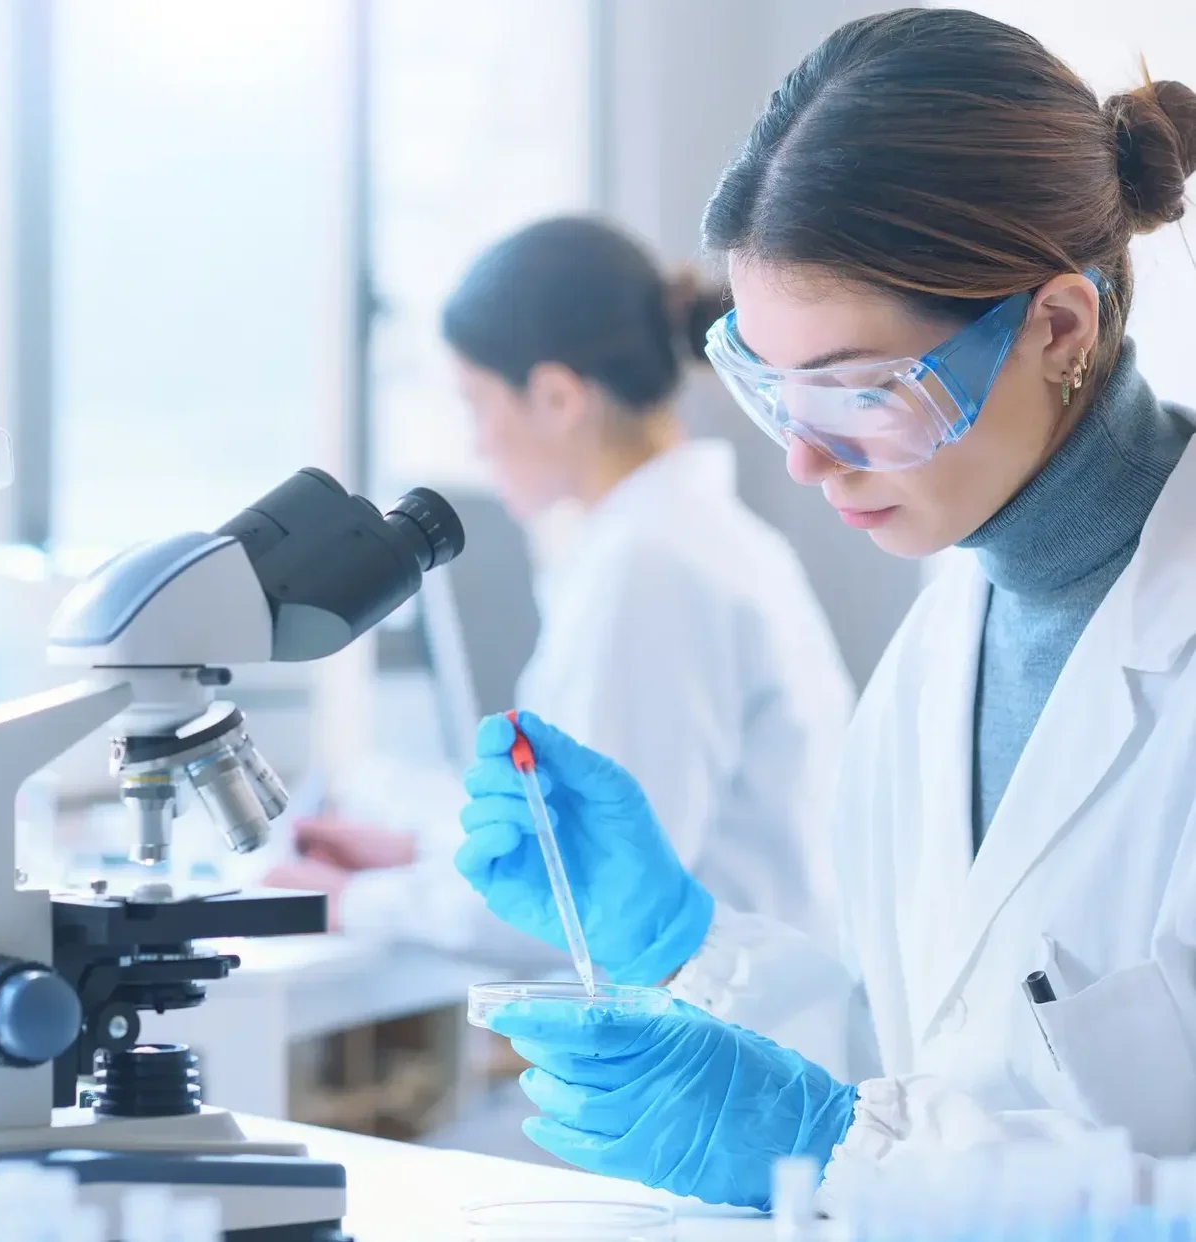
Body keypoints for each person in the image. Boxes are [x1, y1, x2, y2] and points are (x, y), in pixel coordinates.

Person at [456, 8, 1196, 1214]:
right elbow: (924, 1072)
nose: (805, 461)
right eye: (769, 388)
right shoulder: (942, 648)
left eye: (857, 394)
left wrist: (835, 1145)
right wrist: (678, 942)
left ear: (1059, 327)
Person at [266, 216, 854, 953]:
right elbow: (580, 843)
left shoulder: (650, 566)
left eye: (477, 405)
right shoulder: (694, 539)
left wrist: (357, 903)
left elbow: (587, 900)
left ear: (556, 398)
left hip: (722, 1029)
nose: (477, 443)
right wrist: (415, 853)